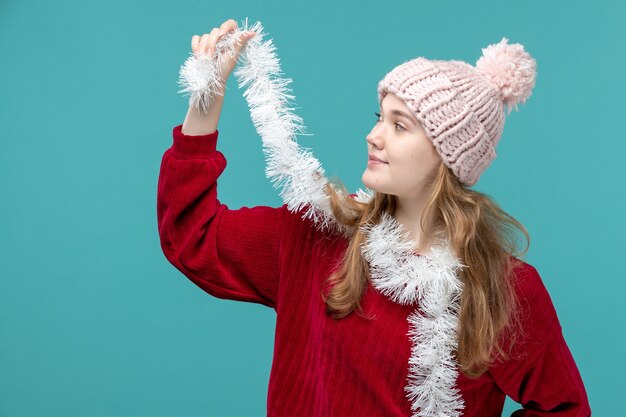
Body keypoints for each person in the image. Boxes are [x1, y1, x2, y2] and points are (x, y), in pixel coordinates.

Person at [157, 19, 591, 417]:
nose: (374, 135)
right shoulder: (318, 234)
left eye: (400, 125)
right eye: (379, 117)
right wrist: (205, 103)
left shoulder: (503, 287)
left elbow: (565, 408)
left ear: (447, 158)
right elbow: (192, 237)